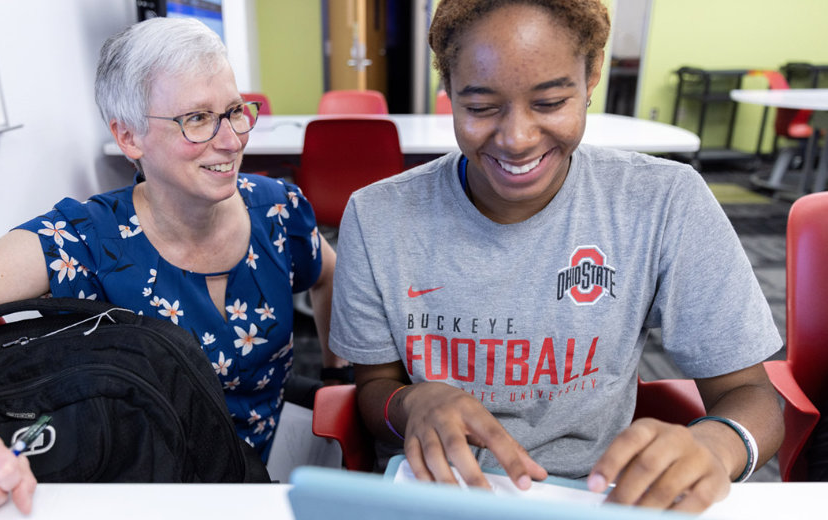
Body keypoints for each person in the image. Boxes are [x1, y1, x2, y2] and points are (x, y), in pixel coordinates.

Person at [328, 0, 784, 514]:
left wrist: (716, 445)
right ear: (448, 90)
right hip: (431, 495)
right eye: (479, 107)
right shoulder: (378, 216)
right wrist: (409, 403)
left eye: (549, 103)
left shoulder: (662, 202)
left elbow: (754, 395)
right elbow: (372, 387)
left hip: (590, 497)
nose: (517, 139)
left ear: (591, 77)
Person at [0, 17, 346, 520]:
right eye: (197, 118)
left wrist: (331, 370)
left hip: (259, 479)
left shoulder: (277, 210)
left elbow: (326, 278)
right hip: (146, 485)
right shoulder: (85, 240)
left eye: (234, 111)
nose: (232, 139)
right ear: (129, 137)